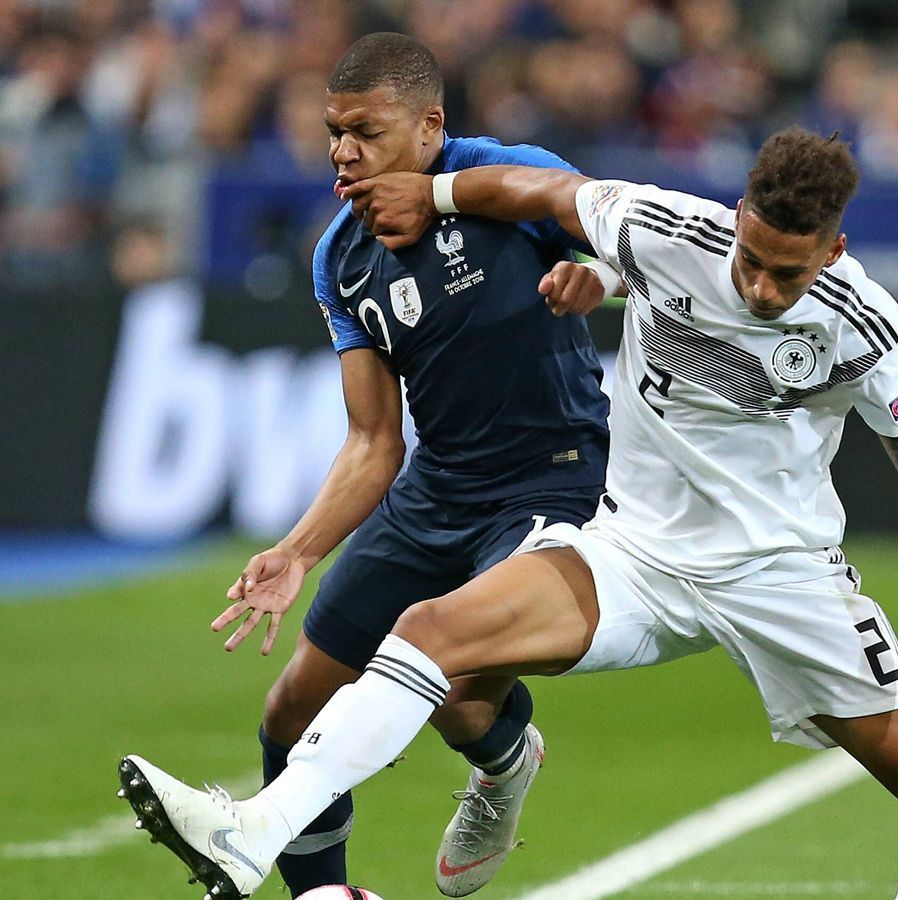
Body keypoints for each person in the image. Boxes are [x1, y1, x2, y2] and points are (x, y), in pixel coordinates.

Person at [118, 127, 898, 900]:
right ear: (737, 216)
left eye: (786, 273)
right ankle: (256, 831)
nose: (759, 286)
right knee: (431, 631)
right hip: (633, 554)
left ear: (833, 251)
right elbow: (539, 193)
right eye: (752, 257)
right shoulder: (665, 228)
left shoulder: (864, 324)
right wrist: (442, 193)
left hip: (783, 577)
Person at [206, 32, 615, 898]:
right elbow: (373, 442)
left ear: (431, 127)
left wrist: (596, 278)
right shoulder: (338, 255)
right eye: (332, 131)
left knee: (450, 678)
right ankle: (323, 894)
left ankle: (503, 766)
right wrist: (297, 553)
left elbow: (625, 234)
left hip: (551, 476)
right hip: (438, 488)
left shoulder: (507, 174)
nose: (341, 153)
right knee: (290, 711)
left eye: (366, 131)